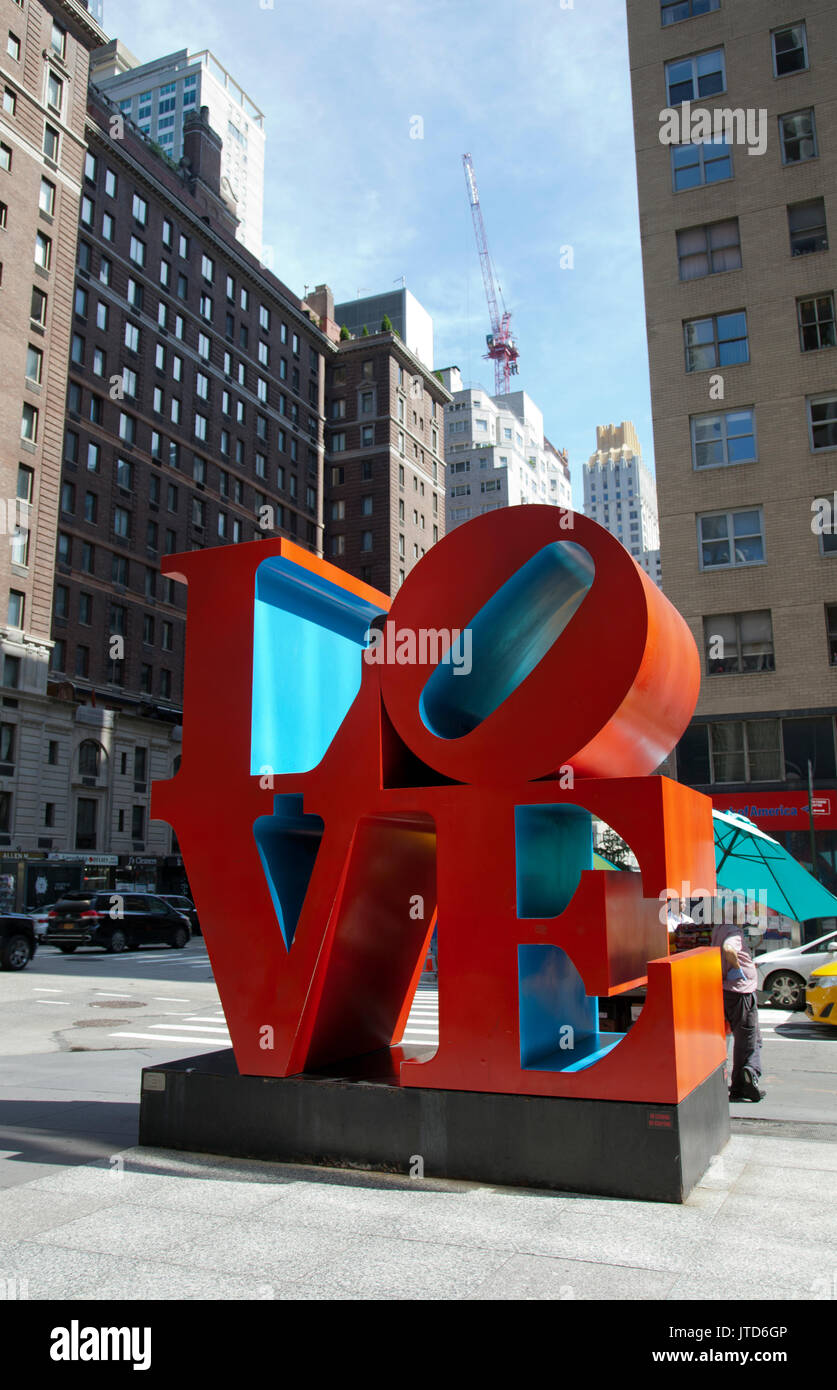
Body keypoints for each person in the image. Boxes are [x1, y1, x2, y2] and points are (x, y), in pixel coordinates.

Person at [711, 901, 765, 1103]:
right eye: (743, 913)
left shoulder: (719, 928)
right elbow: (728, 949)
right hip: (740, 990)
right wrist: (737, 969)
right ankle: (746, 1078)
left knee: (750, 1036)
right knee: (748, 1037)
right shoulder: (733, 931)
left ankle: (742, 1082)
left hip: (729, 989)